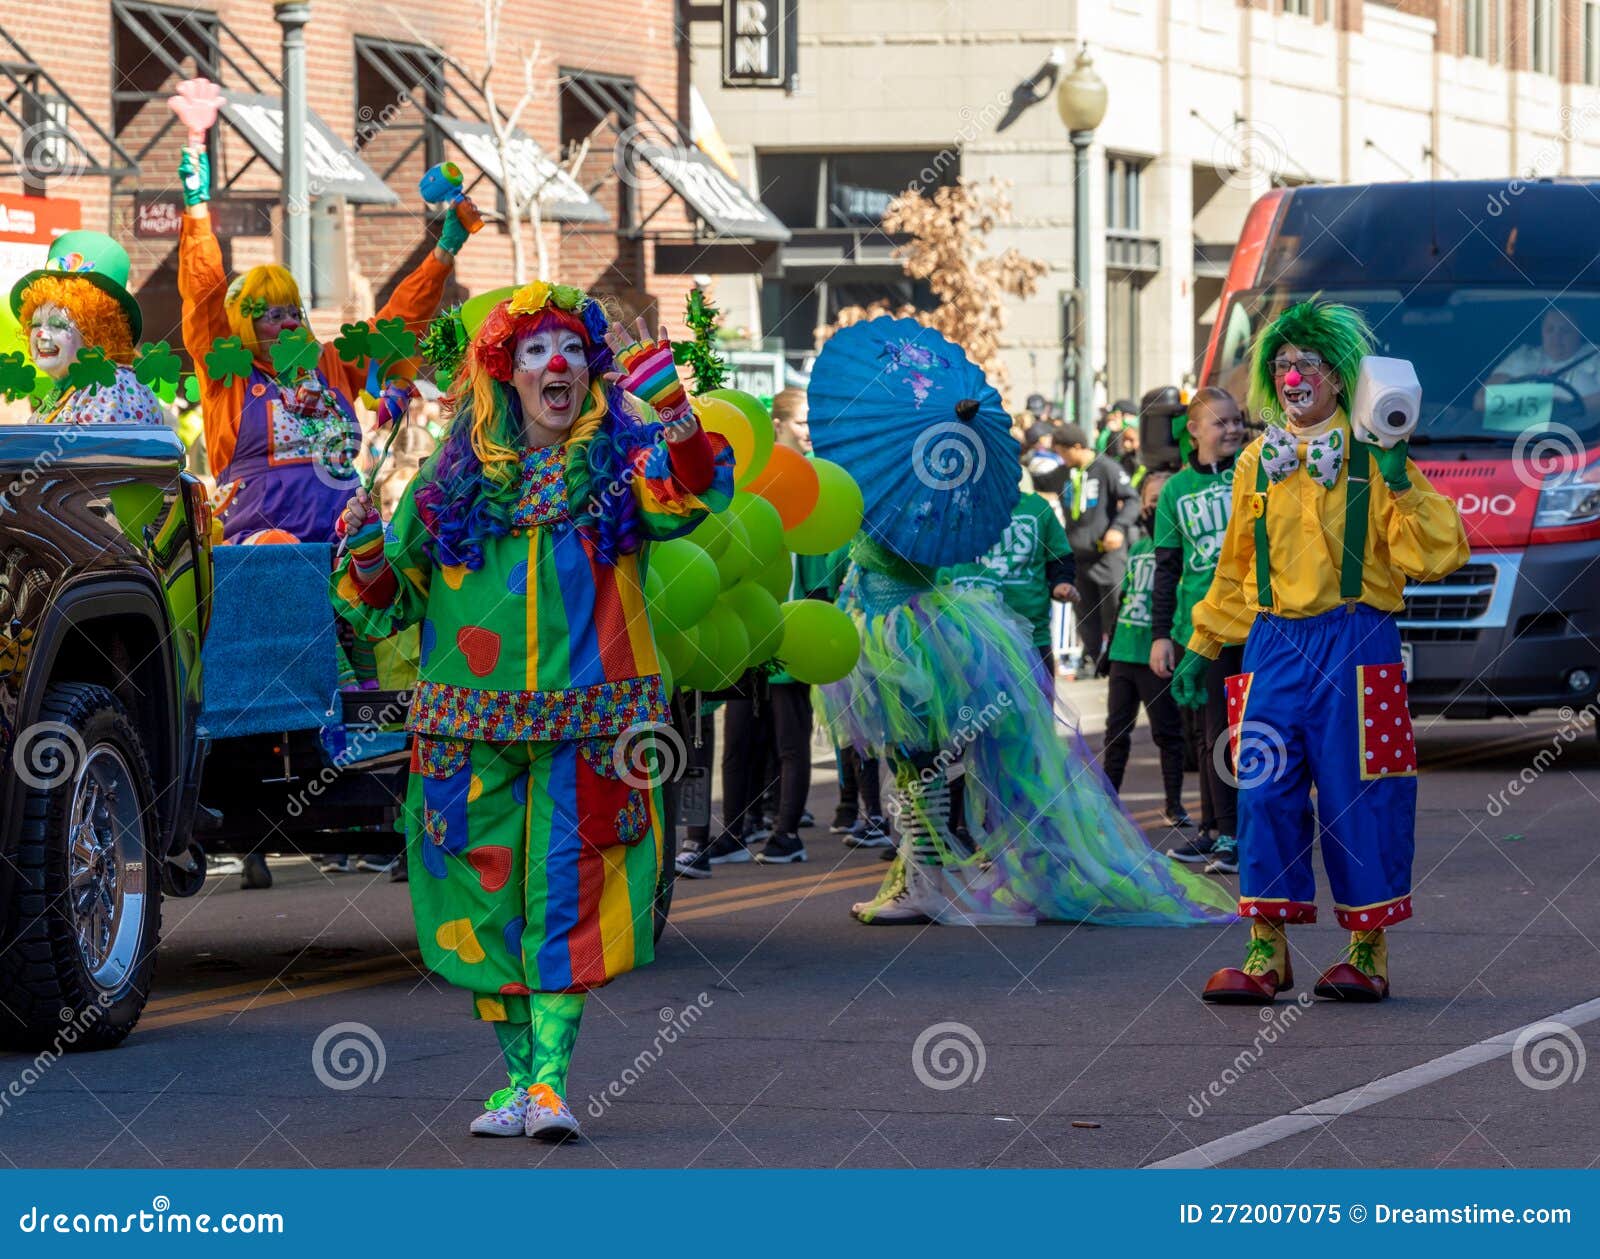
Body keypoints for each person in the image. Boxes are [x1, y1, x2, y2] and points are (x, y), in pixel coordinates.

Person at [332, 280, 734, 1136]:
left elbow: (693, 492)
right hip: (465, 730)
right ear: (504, 374)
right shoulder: (449, 480)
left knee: (567, 901)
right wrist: (365, 550)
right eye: (535, 351)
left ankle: (549, 1082)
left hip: (588, 727)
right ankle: (521, 1080)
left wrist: (675, 414)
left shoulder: (623, 467)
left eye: (573, 349)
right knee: (482, 910)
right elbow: (390, 597)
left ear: (593, 370)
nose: (558, 363)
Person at [1172, 300, 1468, 1004]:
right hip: (1274, 644)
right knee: (1264, 791)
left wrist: (1397, 478)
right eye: (1282, 363)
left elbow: (1439, 553)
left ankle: (1367, 951)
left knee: (1360, 794)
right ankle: (1265, 952)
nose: (1293, 374)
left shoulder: (1375, 456)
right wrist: (1203, 641)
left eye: (1306, 362)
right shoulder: (1255, 461)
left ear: (1339, 377)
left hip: (1357, 642)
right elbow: (1236, 566)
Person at [177, 110, 467, 544]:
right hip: (260, 549)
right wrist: (197, 209)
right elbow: (204, 296)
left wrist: (443, 251)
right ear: (244, 324)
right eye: (273, 315)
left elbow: (397, 323)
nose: (290, 322)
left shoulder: (331, 363)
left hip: (342, 540)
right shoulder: (229, 372)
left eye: (294, 311)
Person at [1151, 387, 1246, 872]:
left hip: (1256, 621)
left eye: (1237, 420)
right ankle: (1215, 828)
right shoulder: (1175, 491)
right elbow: (1166, 567)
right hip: (1203, 627)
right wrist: (1160, 633)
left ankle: (1237, 833)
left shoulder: (1254, 474)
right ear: (1193, 430)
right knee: (1209, 733)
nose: (1232, 429)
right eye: (1220, 422)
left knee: (1247, 730)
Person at [10, 230, 166, 426]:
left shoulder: (114, 387)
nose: (41, 333)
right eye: (35, 324)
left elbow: (91, 455)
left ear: (98, 333)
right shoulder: (66, 392)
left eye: (58, 324)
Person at [1101, 472, 1187, 825]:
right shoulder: (1136, 548)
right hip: (1124, 651)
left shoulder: (1180, 548)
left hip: (1155, 655)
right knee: (1116, 731)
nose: (1154, 506)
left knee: (1167, 732)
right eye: (1149, 499)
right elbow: (1125, 599)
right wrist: (1107, 650)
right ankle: (1108, 804)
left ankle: (1173, 804)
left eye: (1160, 498)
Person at [1052, 423, 1139, 677]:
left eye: (1063, 452)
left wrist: (1118, 528)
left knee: (1114, 611)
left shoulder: (1107, 468)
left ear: (1077, 447)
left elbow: (1132, 499)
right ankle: (1095, 661)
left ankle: (1119, 665)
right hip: (1079, 557)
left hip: (1107, 556)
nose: (1062, 458)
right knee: (1085, 615)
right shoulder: (1065, 472)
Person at [1475, 307, 1600, 417]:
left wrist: (1566, 409)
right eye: (1550, 329)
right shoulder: (1524, 356)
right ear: (1542, 332)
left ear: (1579, 333)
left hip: (1581, 436)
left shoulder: (1595, 356)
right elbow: (1481, 400)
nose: (1556, 336)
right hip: (1517, 437)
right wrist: (1545, 408)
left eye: (1565, 330)